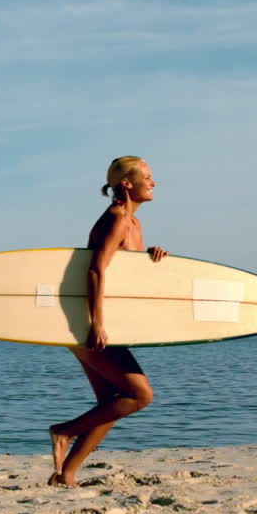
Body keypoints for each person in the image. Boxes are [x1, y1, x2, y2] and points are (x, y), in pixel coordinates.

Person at [48, 156, 168, 487]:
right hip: (91, 324)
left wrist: (151, 257)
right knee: (140, 395)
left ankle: (66, 475)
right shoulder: (117, 216)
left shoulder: (134, 224)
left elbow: (125, 273)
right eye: (147, 176)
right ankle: (64, 431)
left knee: (111, 404)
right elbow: (96, 268)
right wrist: (96, 324)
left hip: (104, 323)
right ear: (127, 184)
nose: (153, 181)